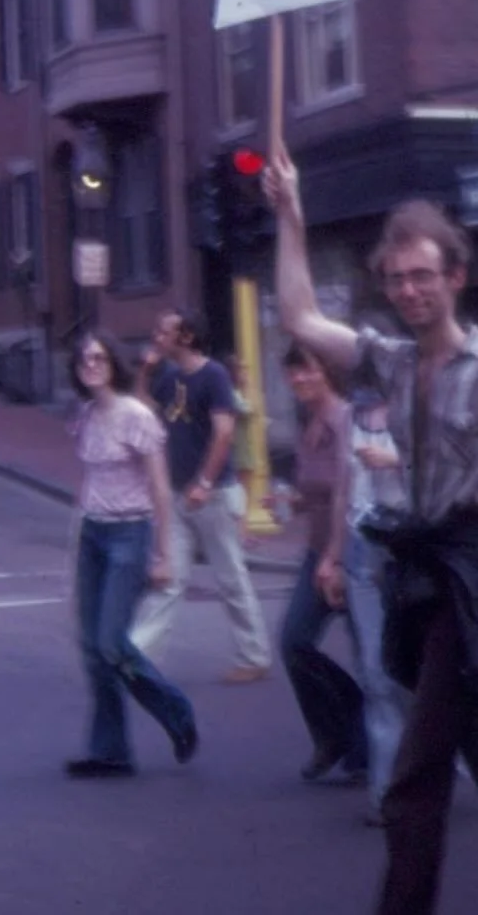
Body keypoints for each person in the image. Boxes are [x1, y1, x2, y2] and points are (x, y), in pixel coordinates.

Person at [266, 147, 478, 915]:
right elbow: (297, 317)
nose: (409, 289)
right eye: (396, 278)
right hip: (422, 578)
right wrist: (290, 215)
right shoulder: (387, 362)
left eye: (424, 274)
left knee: (417, 772)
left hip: (471, 574)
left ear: (455, 276)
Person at [65, 330, 198, 778]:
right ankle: (111, 750)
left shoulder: (136, 416)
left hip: (130, 535)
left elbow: (160, 489)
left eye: (99, 357)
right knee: (91, 648)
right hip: (93, 535)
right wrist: (79, 531)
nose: (91, 364)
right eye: (84, 360)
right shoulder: (84, 416)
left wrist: (163, 554)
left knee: (110, 642)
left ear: (113, 363)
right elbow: (91, 481)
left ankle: (177, 711)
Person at [131, 310, 272, 683]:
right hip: (178, 495)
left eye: (164, 330)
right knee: (169, 578)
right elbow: (143, 411)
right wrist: (145, 372)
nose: (156, 335)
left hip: (213, 495)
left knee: (230, 578)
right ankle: (137, 657)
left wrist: (205, 482)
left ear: (187, 337)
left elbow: (224, 433)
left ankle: (254, 656)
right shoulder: (169, 376)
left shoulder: (214, 375)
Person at [275, 342, 368, 787]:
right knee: (294, 642)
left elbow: (348, 498)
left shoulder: (348, 421)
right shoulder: (307, 424)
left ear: (327, 371)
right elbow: (317, 493)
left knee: (375, 659)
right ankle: (335, 734)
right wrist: (291, 501)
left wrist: (334, 559)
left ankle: (373, 755)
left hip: (354, 555)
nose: (298, 380)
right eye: (292, 373)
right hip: (320, 554)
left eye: (306, 371)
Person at [318, 386, 409, 827]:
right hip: (361, 550)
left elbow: (456, 476)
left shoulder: (420, 406)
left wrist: (397, 463)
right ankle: (386, 793)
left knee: (421, 672)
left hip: (412, 551)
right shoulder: (350, 417)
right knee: (375, 672)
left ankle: (430, 763)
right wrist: (332, 557)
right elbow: (341, 490)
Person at [224, 353, 256, 538]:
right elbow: (250, 409)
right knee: (242, 493)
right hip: (240, 449)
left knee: (243, 493)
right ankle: (241, 533)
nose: (245, 373)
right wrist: (248, 386)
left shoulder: (233, 393)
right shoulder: (232, 394)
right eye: (242, 370)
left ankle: (243, 531)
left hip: (243, 447)